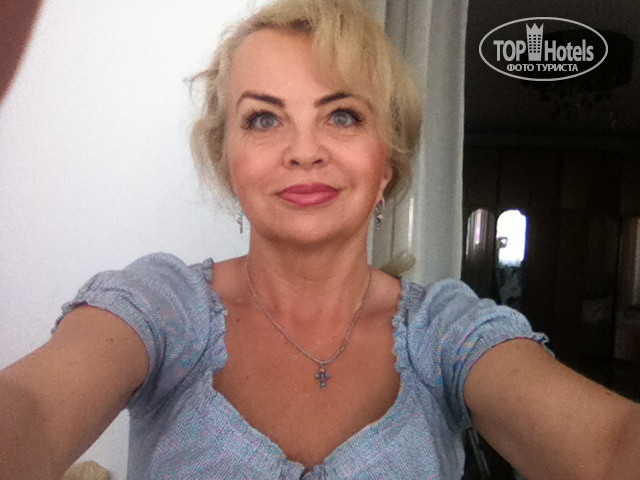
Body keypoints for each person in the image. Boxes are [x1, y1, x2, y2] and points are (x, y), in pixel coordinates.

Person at [1, 0, 639, 478]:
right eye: (263, 118)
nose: (304, 151)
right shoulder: (159, 306)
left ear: (386, 163)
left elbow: (610, 447)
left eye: (342, 115)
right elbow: (30, 409)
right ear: (228, 161)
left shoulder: (447, 331)